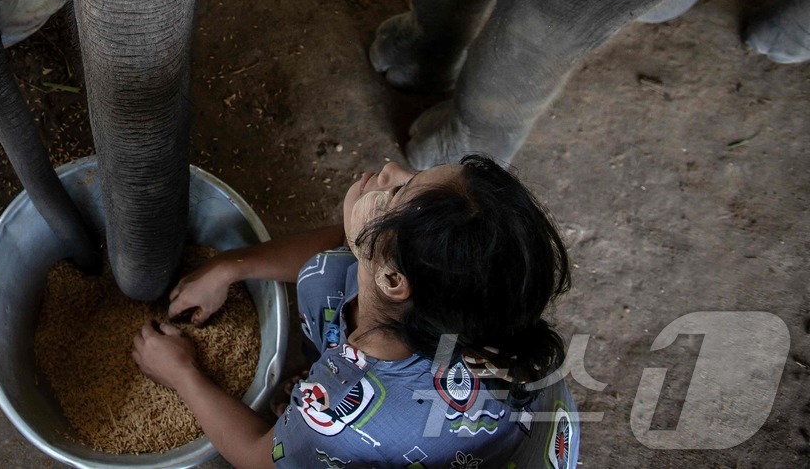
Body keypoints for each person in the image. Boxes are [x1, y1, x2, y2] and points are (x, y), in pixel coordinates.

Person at [132, 156, 578, 468]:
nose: (390, 168)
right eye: (415, 173)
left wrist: (183, 373)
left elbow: (256, 456)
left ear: (392, 280)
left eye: (399, 189)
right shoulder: (472, 300)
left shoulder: (340, 414)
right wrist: (230, 268)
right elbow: (351, 239)